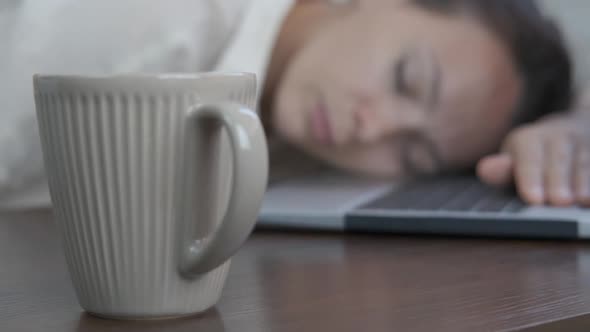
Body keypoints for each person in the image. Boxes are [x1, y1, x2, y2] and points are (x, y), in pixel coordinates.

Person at [0, 0, 588, 210]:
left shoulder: (294, 130)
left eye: (413, 154)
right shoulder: (170, 17)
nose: (372, 128)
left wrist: (561, 130)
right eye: (407, 80)